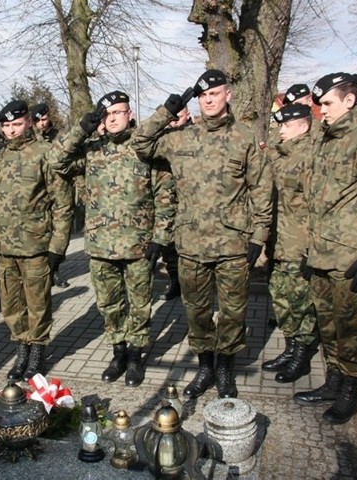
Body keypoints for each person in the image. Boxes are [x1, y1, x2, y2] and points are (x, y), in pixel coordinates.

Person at [132, 70, 273, 398]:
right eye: (202, 96)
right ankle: (205, 367)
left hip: (233, 245)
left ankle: (225, 370)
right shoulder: (182, 138)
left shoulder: (245, 137)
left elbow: (262, 188)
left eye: (214, 94)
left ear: (229, 95)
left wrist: (258, 237)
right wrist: (168, 110)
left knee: (234, 312)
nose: (208, 100)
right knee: (196, 311)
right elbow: (141, 143)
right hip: (191, 244)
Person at [49, 91, 175, 388]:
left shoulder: (145, 148)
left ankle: (136, 355)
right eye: (107, 114)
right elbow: (56, 161)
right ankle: (118, 352)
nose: (113, 118)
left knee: (140, 305)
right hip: (101, 246)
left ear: (130, 114)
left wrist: (160, 238)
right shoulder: (92, 150)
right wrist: (81, 128)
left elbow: (166, 197)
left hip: (138, 246)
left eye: (118, 112)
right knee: (109, 305)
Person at [293, 73, 357, 425]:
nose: (322, 111)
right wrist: (309, 250)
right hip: (321, 253)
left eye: (328, 104)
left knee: (351, 329)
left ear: (350, 101)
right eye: (319, 105)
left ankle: (349, 392)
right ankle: (332, 382)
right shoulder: (325, 141)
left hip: (349, 257)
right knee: (329, 326)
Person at [0, 100, 73, 381]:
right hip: (3, 246)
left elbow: (63, 204)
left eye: (16, 124)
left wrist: (58, 247)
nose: (11, 131)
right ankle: (21, 348)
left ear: (29, 122)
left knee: (38, 303)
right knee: (11, 304)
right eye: (5, 126)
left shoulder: (45, 153)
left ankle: (38, 351)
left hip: (35, 245)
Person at [262, 103, 317, 384]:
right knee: (281, 299)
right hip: (279, 242)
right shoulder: (282, 155)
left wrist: (312, 248)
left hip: (299, 244)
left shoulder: (310, 156)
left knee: (300, 303)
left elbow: (317, 206)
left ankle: (302, 354)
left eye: (286, 125)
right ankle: (291, 347)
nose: (280, 129)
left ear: (304, 126)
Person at [32, 102, 71, 288]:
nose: (42, 123)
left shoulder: (59, 137)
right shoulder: (30, 137)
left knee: (59, 233)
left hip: (57, 188)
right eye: (38, 120)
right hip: (37, 190)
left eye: (45, 119)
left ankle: (55, 270)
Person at [158, 106, 192, 302]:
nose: (173, 121)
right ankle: (174, 282)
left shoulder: (195, 136)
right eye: (171, 118)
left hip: (188, 201)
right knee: (169, 247)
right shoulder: (164, 138)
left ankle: (190, 286)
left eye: (178, 117)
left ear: (187, 115)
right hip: (167, 199)